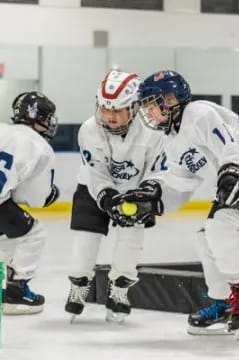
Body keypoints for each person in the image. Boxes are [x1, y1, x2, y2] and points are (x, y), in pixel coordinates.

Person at [130, 70, 239, 340]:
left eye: (152, 105)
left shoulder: (198, 113)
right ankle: (224, 303)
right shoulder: (171, 137)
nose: (148, 113)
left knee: (219, 228)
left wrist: (232, 171)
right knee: (205, 237)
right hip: (233, 177)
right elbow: (181, 181)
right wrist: (154, 195)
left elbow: (230, 147)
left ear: (171, 99)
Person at [64, 70, 164, 323]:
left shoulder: (153, 132)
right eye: (105, 109)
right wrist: (107, 197)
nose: (110, 116)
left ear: (134, 106)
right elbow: (96, 172)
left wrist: (146, 196)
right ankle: (79, 283)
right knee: (85, 240)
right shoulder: (88, 130)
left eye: (118, 109)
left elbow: (157, 170)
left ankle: (119, 290)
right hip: (92, 187)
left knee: (131, 240)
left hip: (135, 189)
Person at [0, 91, 59, 314]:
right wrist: (51, 194)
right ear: (40, 118)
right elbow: (35, 199)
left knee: (3, 241)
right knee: (35, 234)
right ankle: (16, 290)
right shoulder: (39, 146)